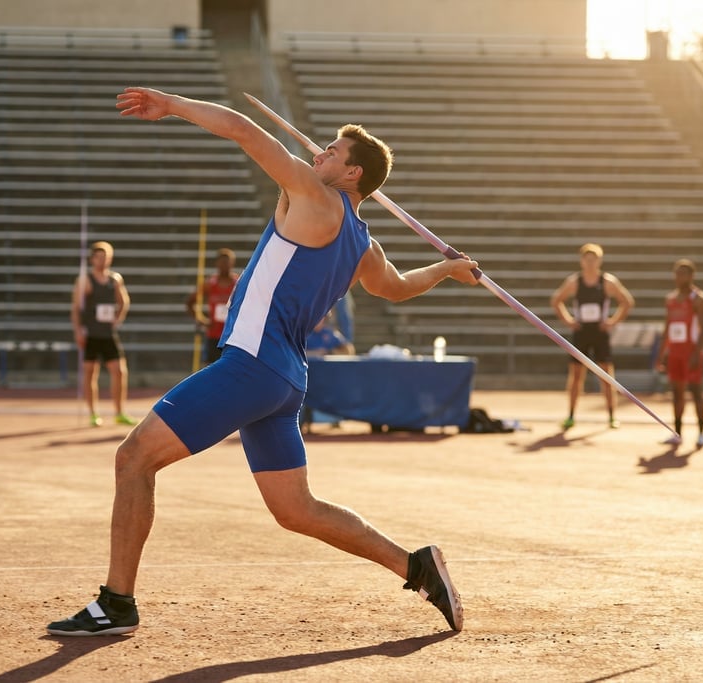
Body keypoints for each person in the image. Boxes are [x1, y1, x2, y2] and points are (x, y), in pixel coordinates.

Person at [46, 87, 479, 637]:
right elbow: (394, 288)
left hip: (251, 365)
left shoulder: (313, 198)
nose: (318, 154)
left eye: (331, 152)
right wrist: (447, 269)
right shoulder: (363, 244)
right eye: (321, 149)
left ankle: (117, 602)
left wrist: (172, 105)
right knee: (295, 510)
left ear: (352, 176)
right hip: (284, 379)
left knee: (134, 460)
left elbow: (247, 132)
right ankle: (415, 566)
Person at [551, 243, 635, 430]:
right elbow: (557, 300)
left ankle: (612, 416)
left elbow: (627, 302)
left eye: (593, 259)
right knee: (576, 375)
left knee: (606, 375)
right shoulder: (575, 281)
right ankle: (571, 415)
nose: (590, 263)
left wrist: (612, 322)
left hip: (600, 332)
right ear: (582, 261)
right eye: (587, 259)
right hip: (581, 332)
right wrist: (568, 320)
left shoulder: (607, 281)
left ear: (599, 261)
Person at [71, 241, 136, 427]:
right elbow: (76, 308)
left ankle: (119, 412)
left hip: (107, 333)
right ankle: (93, 413)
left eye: (106, 257)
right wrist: (78, 330)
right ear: (92, 259)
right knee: (90, 372)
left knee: (119, 371)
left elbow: (124, 300)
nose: (103, 260)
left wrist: (118, 318)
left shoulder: (114, 279)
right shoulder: (85, 280)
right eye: (99, 257)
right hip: (91, 332)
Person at [655, 259, 703, 448]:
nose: (680, 277)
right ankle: (677, 432)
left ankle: (701, 433)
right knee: (677, 393)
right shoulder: (670, 299)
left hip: (691, 351)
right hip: (675, 353)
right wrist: (662, 353)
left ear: (692, 276)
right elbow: (668, 328)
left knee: (695, 392)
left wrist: (697, 352)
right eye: (677, 273)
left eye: (684, 273)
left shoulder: (698, 299)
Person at [186, 247, 238, 365]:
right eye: (222, 262)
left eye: (227, 262)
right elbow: (190, 302)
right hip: (213, 335)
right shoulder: (210, 284)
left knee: (231, 368)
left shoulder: (238, 283)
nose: (225, 265)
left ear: (232, 263)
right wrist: (201, 320)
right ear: (217, 263)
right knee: (209, 367)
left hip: (231, 335)